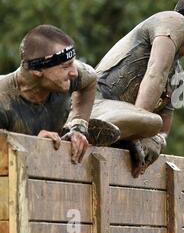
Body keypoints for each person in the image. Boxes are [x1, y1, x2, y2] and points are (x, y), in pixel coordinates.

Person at [91, 0, 184, 177]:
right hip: (92, 106)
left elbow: (163, 132)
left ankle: (111, 135)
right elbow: (156, 72)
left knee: (154, 125)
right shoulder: (173, 21)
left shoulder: (178, 77)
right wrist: (139, 132)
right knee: (151, 122)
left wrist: (157, 141)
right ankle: (81, 126)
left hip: (114, 128)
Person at [0, 25, 120, 163]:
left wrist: (79, 127)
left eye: (73, 63)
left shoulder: (72, 77)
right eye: (65, 66)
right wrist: (31, 145)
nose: (74, 72)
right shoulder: (3, 102)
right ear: (37, 69)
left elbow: (91, 79)